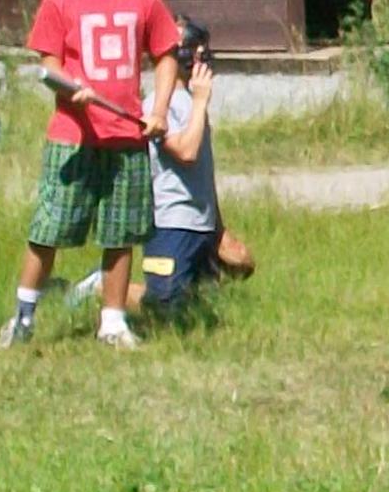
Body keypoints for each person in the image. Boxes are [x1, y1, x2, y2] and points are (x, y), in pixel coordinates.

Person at [0, 0, 180, 350]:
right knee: (50, 228)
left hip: (125, 137)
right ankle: (23, 317)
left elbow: (166, 53)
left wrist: (158, 110)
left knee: (121, 232)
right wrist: (69, 86)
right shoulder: (60, 0)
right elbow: (48, 61)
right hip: (73, 136)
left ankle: (113, 321)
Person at [71, 17, 253, 312]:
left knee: (222, 283)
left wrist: (218, 227)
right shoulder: (157, 105)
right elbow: (186, 152)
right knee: (163, 303)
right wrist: (201, 102)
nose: (200, 58)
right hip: (171, 222)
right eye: (192, 49)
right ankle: (101, 286)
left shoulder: (190, 101)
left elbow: (202, 173)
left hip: (201, 222)